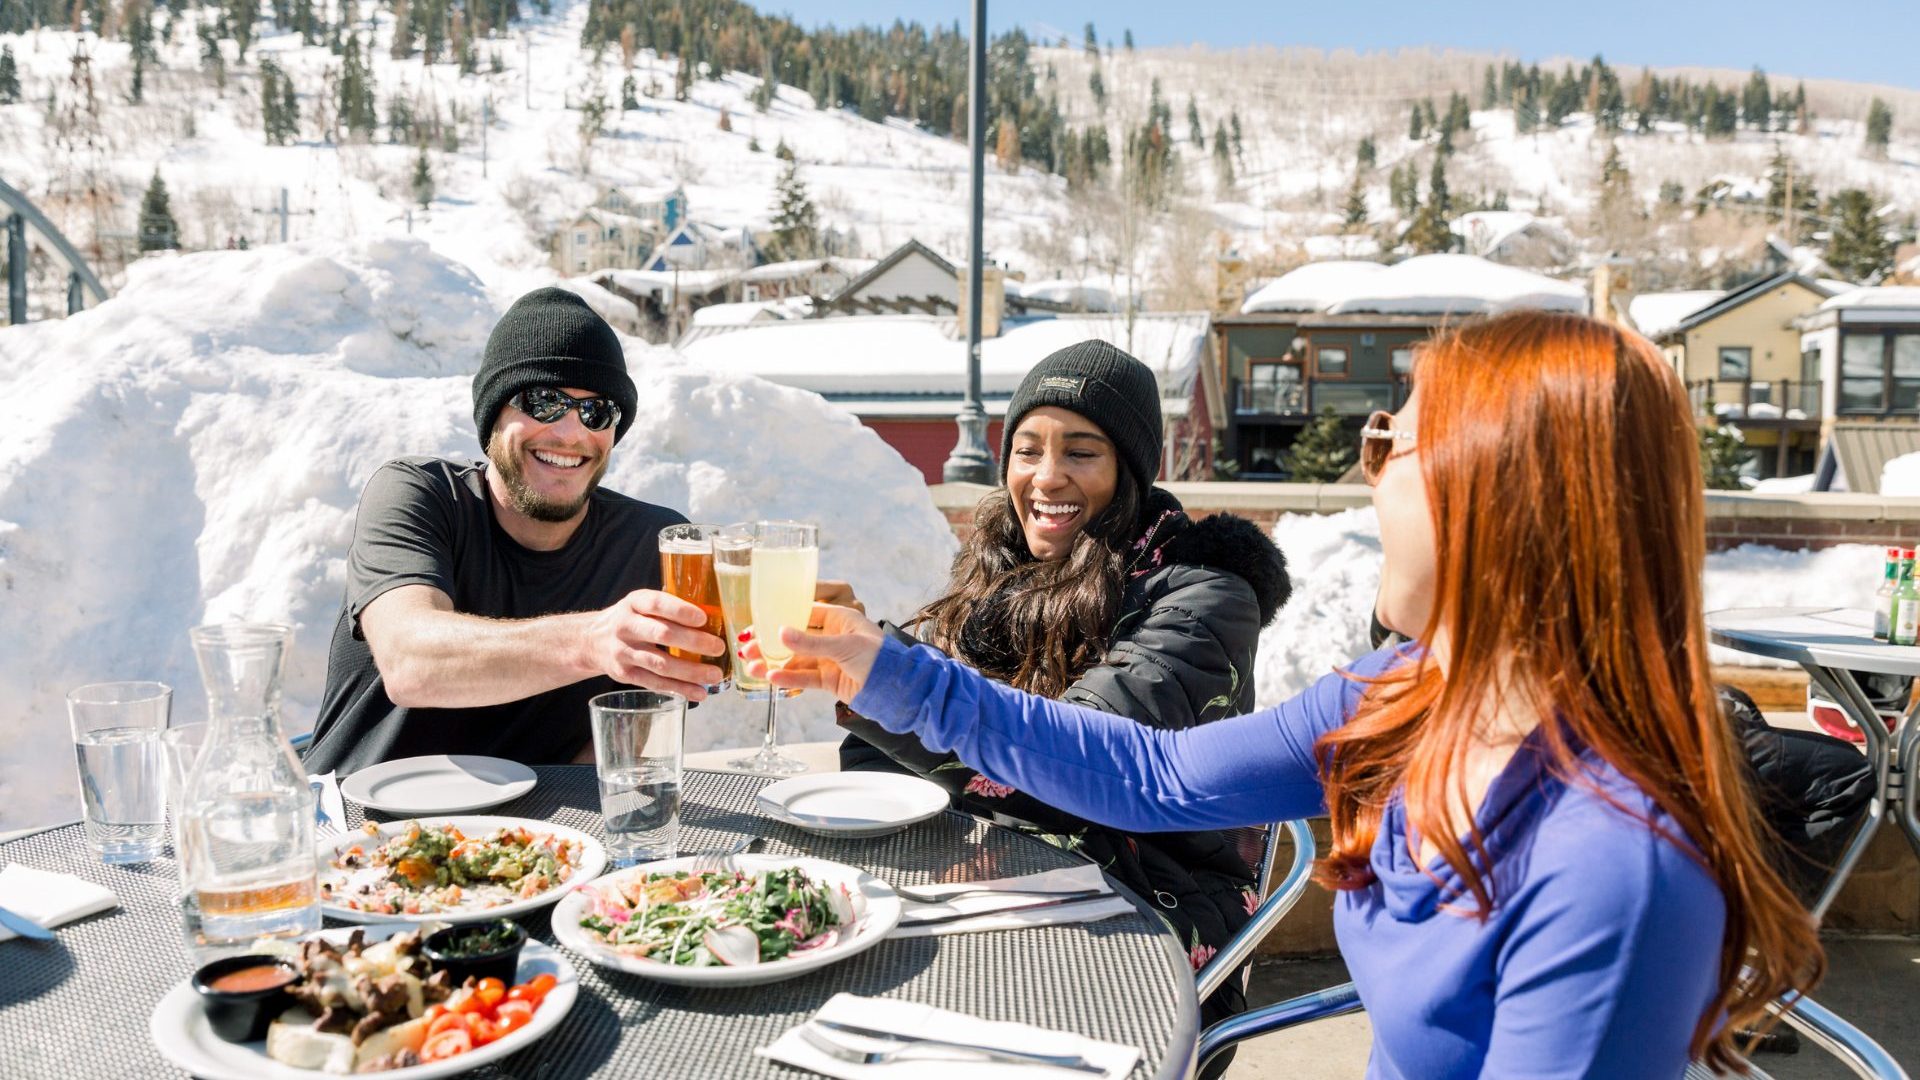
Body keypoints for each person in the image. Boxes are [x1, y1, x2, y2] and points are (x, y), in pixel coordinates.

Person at [754, 311, 1824, 1077]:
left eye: (1385, 445)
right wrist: (884, 670)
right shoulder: (1411, 694)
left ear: (1497, 489)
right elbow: (1155, 774)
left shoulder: (1611, 868)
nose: (1366, 477)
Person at [835, 340, 1290, 1040]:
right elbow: (878, 763)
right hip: (999, 893)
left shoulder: (1206, 600)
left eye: (1081, 452)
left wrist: (888, 677)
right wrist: (856, 677)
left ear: (1130, 470)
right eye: (1027, 450)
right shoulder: (1000, 575)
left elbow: (1075, 767)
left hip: (1147, 919)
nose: (1046, 477)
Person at [303, 287, 726, 775]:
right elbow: (411, 663)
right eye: (543, 402)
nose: (570, 433)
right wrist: (592, 641)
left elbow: (623, 740)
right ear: (493, 416)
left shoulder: (655, 544)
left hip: (531, 822)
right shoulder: (418, 495)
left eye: (596, 411)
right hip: (356, 813)